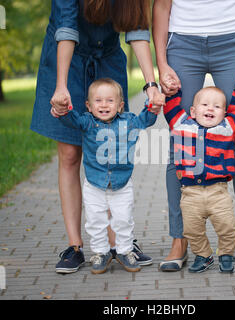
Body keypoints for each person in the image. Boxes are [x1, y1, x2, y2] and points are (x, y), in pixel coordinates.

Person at [31, 0, 164, 273]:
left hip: (109, 61)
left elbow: (137, 29)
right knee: (69, 154)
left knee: (112, 148)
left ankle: (118, 246)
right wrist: (61, 86)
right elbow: (66, 29)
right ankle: (75, 246)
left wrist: (151, 84)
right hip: (66, 58)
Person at [153, 0, 235, 271]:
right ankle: (179, 240)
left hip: (233, 41)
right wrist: (162, 61)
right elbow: (160, 6)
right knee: (181, 144)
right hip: (181, 41)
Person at [55, 78, 157, 274]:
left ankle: (125, 251)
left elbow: (147, 118)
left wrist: (152, 103)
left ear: (120, 106)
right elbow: (70, 119)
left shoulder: (129, 122)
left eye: (110, 101)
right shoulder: (86, 122)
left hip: (121, 184)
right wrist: (63, 109)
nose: (103, 105)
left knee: (124, 219)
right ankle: (101, 253)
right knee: (95, 220)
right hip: (94, 185)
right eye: (98, 101)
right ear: (89, 106)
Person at [163, 82, 235, 273]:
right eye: (205, 105)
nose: (211, 108)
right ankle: (203, 255)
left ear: (224, 113)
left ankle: (226, 253)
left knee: (228, 227)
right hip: (190, 194)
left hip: (218, 191)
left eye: (217, 106)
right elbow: (170, 108)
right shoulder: (182, 125)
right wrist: (173, 91)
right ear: (193, 111)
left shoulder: (227, 128)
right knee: (191, 230)